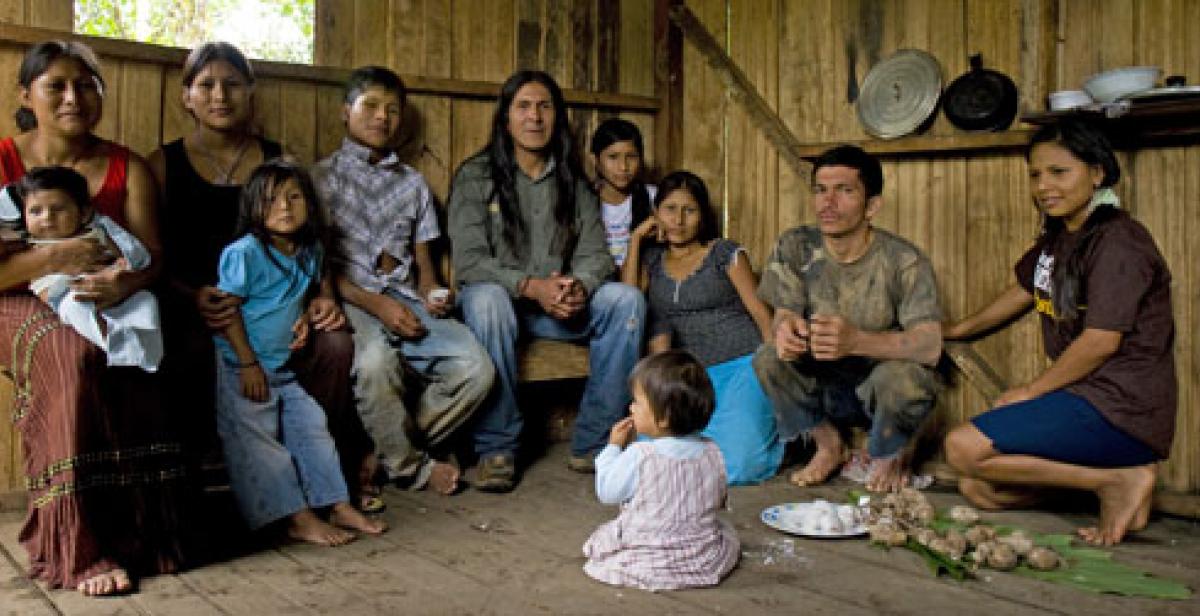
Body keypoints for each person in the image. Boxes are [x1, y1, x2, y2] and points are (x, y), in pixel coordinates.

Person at [148, 42, 376, 509]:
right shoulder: (162, 164)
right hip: (196, 303)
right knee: (188, 350)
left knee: (335, 343)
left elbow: (315, 239)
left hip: (276, 307)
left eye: (232, 84)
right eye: (206, 84)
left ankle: (324, 476)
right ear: (186, 95)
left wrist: (322, 297)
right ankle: (201, 487)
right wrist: (190, 297)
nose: (220, 95)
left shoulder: (279, 159)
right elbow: (150, 254)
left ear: (250, 92)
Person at [0, 40, 187, 596]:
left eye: (85, 85)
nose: (72, 97)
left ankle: (147, 534)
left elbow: (150, 258)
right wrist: (57, 257)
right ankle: (76, 545)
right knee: (72, 352)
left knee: (142, 348)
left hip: (101, 293)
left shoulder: (125, 166)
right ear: (26, 93)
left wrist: (120, 282)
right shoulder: (5, 164)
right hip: (14, 299)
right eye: (55, 85)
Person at [943, 120, 1174, 546]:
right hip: (1082, 400)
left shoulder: (1118, 242)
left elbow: (1102, 341)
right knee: (979, 489)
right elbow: (1023, 290)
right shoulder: (1061, 236)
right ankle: (1115, 484)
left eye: (1059, 172)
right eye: (1035, 174)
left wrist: (1031, 391)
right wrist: (958, 329)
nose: (1043, 185)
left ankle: (1115, 483)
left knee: (962, 449)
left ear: (1097, 173)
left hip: (1121, 408)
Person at [448, 70, 645, 491]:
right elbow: (469, 263)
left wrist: (577, 286)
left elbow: (596, 255)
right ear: (506, 119)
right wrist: (531, 286)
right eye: (523, 106)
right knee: (486, 300)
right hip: (499, 311)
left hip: (554, 309)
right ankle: (497, 447)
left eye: (544, 106)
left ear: (557, 117)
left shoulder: (572, 181)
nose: (534, 117)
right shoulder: (476, 176)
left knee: (625, 300)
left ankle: (595, 443)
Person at [313, 66, 493, 496]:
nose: (382, 117)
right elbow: (319, 264)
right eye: (370, 106)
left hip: (403, 294)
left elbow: (423, 260)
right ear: (345, 112)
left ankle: (385, 452)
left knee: (477, 369)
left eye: (393, 110)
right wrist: (376, 306)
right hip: (350, 296)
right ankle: (413, 467)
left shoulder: (412, 183)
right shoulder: (320, 179)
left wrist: (432, 293)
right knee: (375, 363)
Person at [213, 159, 386, 545]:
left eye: (294, 197)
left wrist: (311, 311)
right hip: (243, 366)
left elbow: (302, 292)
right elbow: (227, 312)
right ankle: (297, 517)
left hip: (283, 368)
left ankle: (337, 504)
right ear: (253, 206)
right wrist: (247, 362)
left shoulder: (309, 250)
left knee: (313, 430)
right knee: (260, 444)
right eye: (272, 199)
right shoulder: (244, 253)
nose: (285, 207)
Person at [752, 145, 943, 493]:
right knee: (768, 357)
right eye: (821, 190)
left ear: (872, 206)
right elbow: (784, 313)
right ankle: (829, 447)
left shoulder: (903, 259)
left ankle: (891, 454)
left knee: (905, 380)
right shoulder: (795, 245)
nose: (828, 202)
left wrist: (857, 341)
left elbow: (930, 346)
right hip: (824, 385)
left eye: (845, 191)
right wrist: (786, 331)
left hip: (877, 387)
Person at [621, 170, 782, 484]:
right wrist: (636, 240)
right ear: (655, 214)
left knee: (738, 464)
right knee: (651, 456)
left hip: (741, 368)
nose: (679, 220)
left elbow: (760, 312)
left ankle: (777, 434)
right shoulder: (652, 260)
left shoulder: (724, 254)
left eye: (689, 210)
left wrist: (778, 370)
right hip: (687, 382)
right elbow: (629, 299)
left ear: (702, 216)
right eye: (669, 209)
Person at [582, 350, 739, 590]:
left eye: (637, 402)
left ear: (664, 417)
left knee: (601, 541)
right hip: (699, 553)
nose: (631, 408)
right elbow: (717, 499)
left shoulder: (642, 455)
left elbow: (607, 492)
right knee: (726, 533)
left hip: (647, 555)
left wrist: (613, 448)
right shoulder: (712, 451)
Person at [15, 166, 162, 371]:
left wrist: (121, 265)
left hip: (111, 290)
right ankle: (112, 345)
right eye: (35, 211)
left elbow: (132, 255)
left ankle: (144, 352)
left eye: (58, 209)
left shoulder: (98, 231)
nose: (47, 217)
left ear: (83, 213)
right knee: (75, 306)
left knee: (146, 301)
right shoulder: (28, 246)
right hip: (69, 295)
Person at [589, 117, 655, 275]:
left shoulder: (654, 198)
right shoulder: (584, 201)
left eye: (631, 157)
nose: (623, 167)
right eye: (613, 157)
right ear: (595, 160)